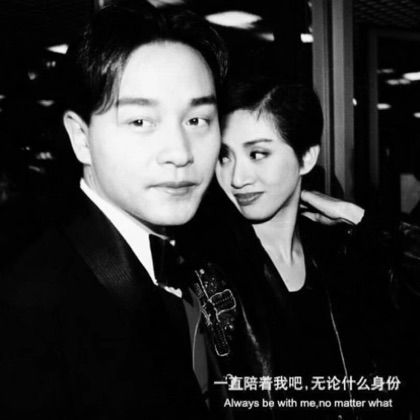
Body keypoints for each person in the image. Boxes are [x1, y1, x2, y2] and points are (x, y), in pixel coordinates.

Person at [0, 2, 231, 419]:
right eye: (141, 122)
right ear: (81, 137)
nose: (180, 153)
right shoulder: (32, 305)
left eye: (197, 120)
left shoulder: (202, 251)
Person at [183, 77, 401, 419]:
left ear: (306, 157)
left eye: (258, 154)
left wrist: (358, 218)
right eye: (224, 156)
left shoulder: (339, 259)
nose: (237, 178)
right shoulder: (207, 275)